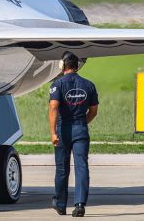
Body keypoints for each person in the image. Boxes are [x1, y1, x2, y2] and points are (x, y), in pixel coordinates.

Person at [49, 52, 99, 217]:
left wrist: (53, 132)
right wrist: (82, 122)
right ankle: (79, 204)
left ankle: (60, 204)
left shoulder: (57, 85)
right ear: (77, 66)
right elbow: (93, 111)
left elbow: (54, 107)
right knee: (81, 166)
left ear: (63, 65)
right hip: (81, 128)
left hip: (63, 129)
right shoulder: (89, 85)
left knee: (62, 168)